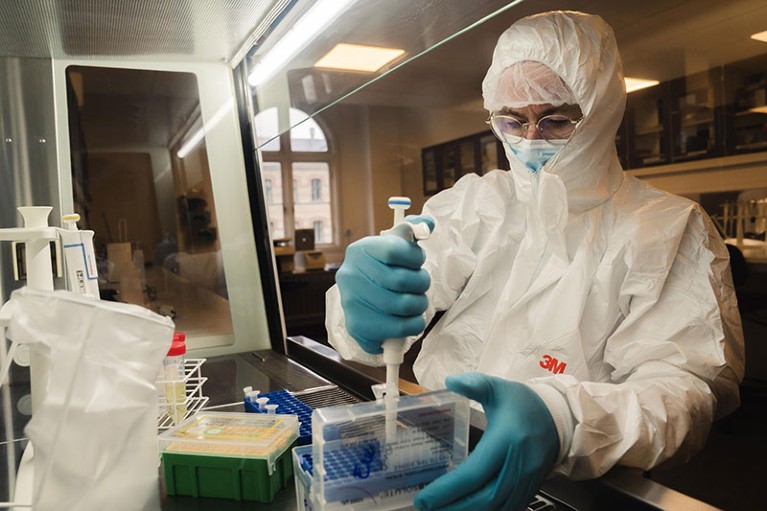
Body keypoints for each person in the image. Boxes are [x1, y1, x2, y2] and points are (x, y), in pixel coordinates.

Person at [326, 10, 745, 511]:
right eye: (512, 119)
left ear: (602, 110)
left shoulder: (667, 227)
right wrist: (363, 312)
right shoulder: (477, 204)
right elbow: (395, 295)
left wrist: (563, 418)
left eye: (556, 119)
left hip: (576, 478)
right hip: (439, 446)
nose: (529, 139)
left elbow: (684, 390)